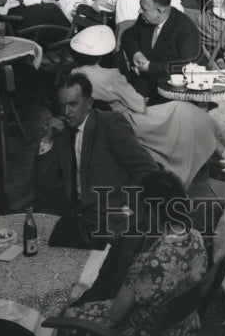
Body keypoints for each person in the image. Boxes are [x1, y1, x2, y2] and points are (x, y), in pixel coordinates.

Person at [49, 170, 208, 336]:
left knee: (68, 320)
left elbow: (116, 315)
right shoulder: (196, 237)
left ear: (152, 213)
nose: (137, 215)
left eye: (139, 209)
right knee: (78, 312)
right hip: (180, 333)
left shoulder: (150, 262)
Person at [67, 28, 225, 187]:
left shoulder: (75, 75)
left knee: (183, 111)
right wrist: (142, 97)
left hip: (106, 120)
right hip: (131, 121)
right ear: (102, 54)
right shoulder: (110, 76)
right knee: (185, 110)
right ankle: (223, 156)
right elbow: (138, 104)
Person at [32, 75, 159, 247]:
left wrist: (125, 210)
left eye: (73, 104)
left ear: (90, 103)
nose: (67, 112)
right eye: (63, 106)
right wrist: (47, 140)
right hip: (79, 219)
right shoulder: (62, 132)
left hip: (110, 220)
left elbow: (148, 170)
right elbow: (43, 182)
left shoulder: (110, 124)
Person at [120, 0, 203, 104]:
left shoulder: (186, 28)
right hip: (141, 83)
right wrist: (136, 53)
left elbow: (188, 64)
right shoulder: (145, 18)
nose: (139, 11)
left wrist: (150, 67)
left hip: (170, 91)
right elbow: (129, 35)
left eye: (143, 9)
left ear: (159, 12)